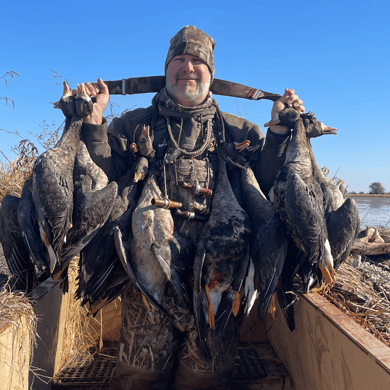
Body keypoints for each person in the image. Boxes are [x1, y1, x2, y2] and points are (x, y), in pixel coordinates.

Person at [80, 26, 304, 390]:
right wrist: (93, 125)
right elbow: (104, 184)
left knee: (206, 380)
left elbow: (263, 190)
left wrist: (279, 132)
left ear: (211, 74)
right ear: (166, 69)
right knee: (139, 379)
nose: (188, 68)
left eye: (197, 61)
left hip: (217, 281)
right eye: (179, 60)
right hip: (148, 282)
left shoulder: (240, 130)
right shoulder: (131, 124)